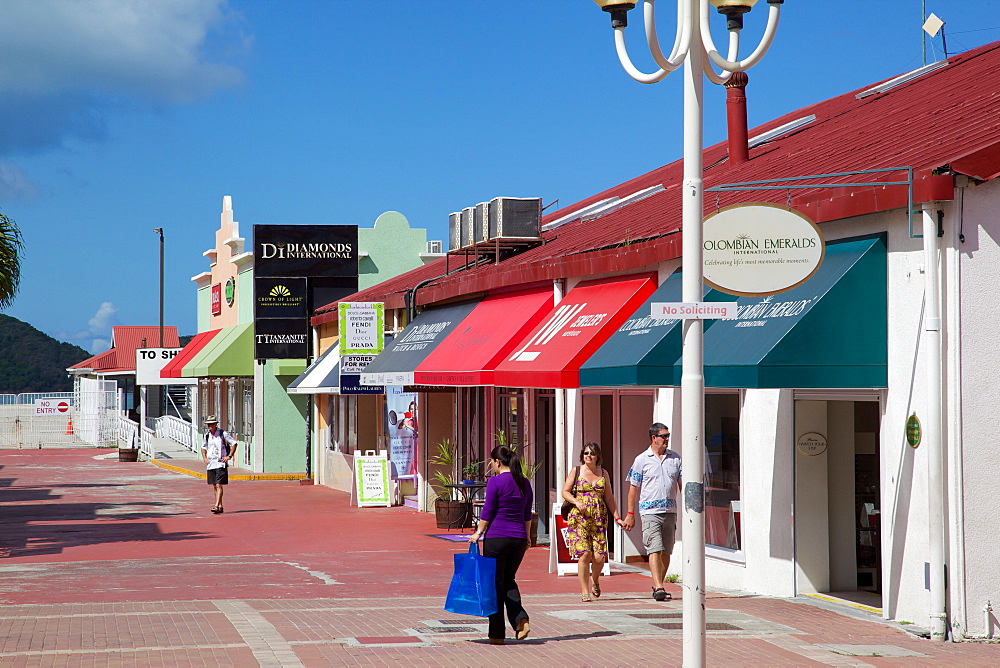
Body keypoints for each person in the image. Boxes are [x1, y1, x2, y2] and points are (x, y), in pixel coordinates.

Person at [469, 445, 532, 645]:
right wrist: (528, 537)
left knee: (494, 584)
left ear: (497, 462)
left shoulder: (495, 482)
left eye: (492, 462)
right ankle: (519, 618)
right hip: (519, 539)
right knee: (508, 579)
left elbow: (488, 510)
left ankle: (496, 634)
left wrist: (478, 533)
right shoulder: (524, 482)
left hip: (497, 537)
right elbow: (527, 513)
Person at [621, 422, 681, 601]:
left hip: (670, 511)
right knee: (654, 549)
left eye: (668, 435)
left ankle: (657, 585)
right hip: (649, 512)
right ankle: (660, 587)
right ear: (654, 438)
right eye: (664, 436)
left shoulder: (676, 459)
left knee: (666, 551)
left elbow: (683, 484)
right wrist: (630, 514)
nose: (667, 439)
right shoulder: (642, 460)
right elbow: (633, 489)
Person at [561, 442, 622, 602]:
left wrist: (617, 517)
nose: (589, 456)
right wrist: (576, 502)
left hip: (599, 518)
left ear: (597, 456)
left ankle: (595, 580)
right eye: (586, 453)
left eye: (592, 453)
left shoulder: (603, 473)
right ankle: (584, 591)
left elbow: (609, 497)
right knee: (585, 553)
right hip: (579, 517)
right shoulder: (577, 471)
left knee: (600, 556)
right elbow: (565, 491)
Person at [201, 415, 237, 514]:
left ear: (216, 424)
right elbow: (203, 447)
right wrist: (204, 457)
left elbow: (234, 443)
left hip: (220, 463)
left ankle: (216, 505)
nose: (210, 426)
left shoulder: (223, 434)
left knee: (219, 485)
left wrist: (229, 456)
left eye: (212, 424)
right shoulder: (207, 435)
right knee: (214, 485)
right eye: (208, 425)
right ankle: (220, 506)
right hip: (211, 463)